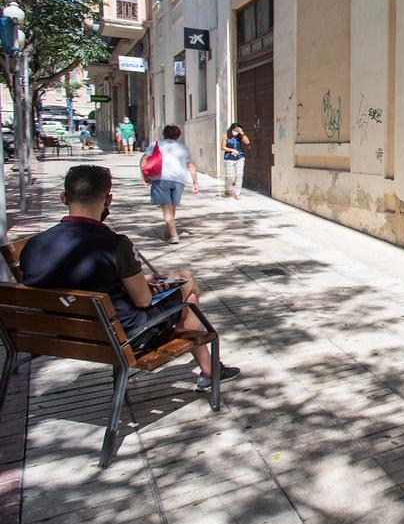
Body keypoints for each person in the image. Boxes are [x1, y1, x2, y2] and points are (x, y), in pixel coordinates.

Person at [19, 164, 239, 390]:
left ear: (64, 197)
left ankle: (209, 369)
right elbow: (142, 301)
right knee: (187, 282)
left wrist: (133, 279)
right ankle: (210, 369)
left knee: (177, 285)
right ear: (109, 200)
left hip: (59, 335)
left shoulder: (34, 245)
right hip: (123, 336)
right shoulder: (115, 245)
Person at [141, 125, 199, 244]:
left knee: (166, 207)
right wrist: (195, 182)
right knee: (172, 206)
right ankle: (169, 230)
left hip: (161, 178)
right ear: (178, 135)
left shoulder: (155, 145)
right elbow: (191, 165)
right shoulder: (184, 148)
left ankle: (174, 235)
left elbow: (144, 159)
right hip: (180, 179)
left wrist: (145, 175)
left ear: (164, 134)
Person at [222, 123, 249, 199]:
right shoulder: (226, 136)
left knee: (239, 175)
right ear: (231, 129)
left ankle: (237, 193)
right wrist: (232, 150)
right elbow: (223, 147)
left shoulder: (240, 136)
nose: (236, 131)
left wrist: (242, 133)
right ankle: (227, 189)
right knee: (229, 176)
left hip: (240, 157)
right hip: (229, 158)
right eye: (235, 130)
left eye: (238, 130)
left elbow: (247, 142)